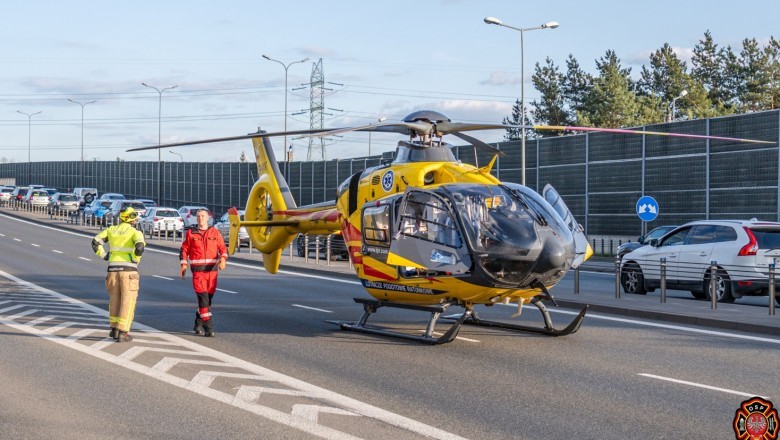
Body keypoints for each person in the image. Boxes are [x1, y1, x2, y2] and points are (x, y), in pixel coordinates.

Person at [91, 206, 145, 342]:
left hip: (112, 269)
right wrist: (135, 258)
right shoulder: (135, 232)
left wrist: (105, 256)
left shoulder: (111, 230)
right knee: (128, 300)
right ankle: (123, 332)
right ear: (131, 219)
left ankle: (114, 330)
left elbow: (95, 242)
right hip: (128, 271)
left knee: (114, 300)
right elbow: (139, 247)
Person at [179, 209, 227, 337]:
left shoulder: (214, 233)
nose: (200, 218)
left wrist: (223, 259)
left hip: (212, 272)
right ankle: (208, 327)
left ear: (208, 218)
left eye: (203, 216)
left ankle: (197, 323)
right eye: (198, 216)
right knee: (204, 300)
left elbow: (223, 248)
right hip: (198, 273)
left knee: (207, 301)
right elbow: (184, 250)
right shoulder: (191, 233)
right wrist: (183, 264)